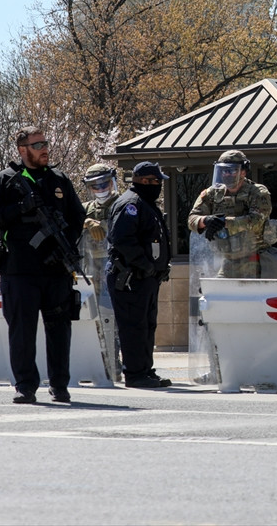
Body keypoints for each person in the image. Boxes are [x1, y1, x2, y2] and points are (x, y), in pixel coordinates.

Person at [0, 127, 86, 405]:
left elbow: (78, 216)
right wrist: (20, 207)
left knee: (60, 329)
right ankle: (26, 386)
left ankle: (60, 385)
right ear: (22, 149)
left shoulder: (59, 179)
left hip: (55, 270)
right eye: (37, 144)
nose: (44, 148)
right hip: (19, 270)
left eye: (45, 142)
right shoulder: (5, 180)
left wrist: (64, 246)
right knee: (22, 331)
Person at [106, 161, 173, 388]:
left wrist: (157, 268)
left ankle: (145, 369)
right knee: (133, 326)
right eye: (155, 181)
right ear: (144, 181)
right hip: (131, 277)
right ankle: (134, 374)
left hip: (147, 277)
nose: (158, 186)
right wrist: (146, 265)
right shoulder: (131, 204)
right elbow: (122, 240)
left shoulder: (146, 203)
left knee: (146, 325)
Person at [187, 150, 272, 278]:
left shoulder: (258, 192)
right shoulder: (212, 193)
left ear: (243, 171)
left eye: (232, 170)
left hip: (254, 258)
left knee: (251, 296)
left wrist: (223, 222)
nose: (227, 174)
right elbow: (192, 219)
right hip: (227, 259)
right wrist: (206, 220)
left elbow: (256, 221)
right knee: (217, 294)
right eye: (223, 171)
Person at [80, 164, 119, 285]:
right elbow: (69, 221)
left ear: (112, 183)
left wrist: (103, 224)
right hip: (91, 267)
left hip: (116, 264)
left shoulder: (122, 205)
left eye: (104, 184)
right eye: (95, 186)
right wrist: (87, 222)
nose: (100, 190)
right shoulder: (86, 208)